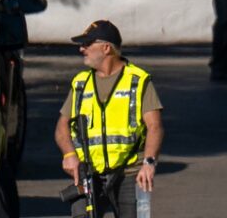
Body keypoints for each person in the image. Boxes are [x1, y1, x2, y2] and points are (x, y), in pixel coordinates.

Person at [55, 20, 164, 218]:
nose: (82, 49)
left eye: (87, 44)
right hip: (90, 173)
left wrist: (149, 162)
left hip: (130, 173)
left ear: (106, 48)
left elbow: (154, 126)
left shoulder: (137, 81)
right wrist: (69, 154)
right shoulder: (81, 83)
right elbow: (62, 126)